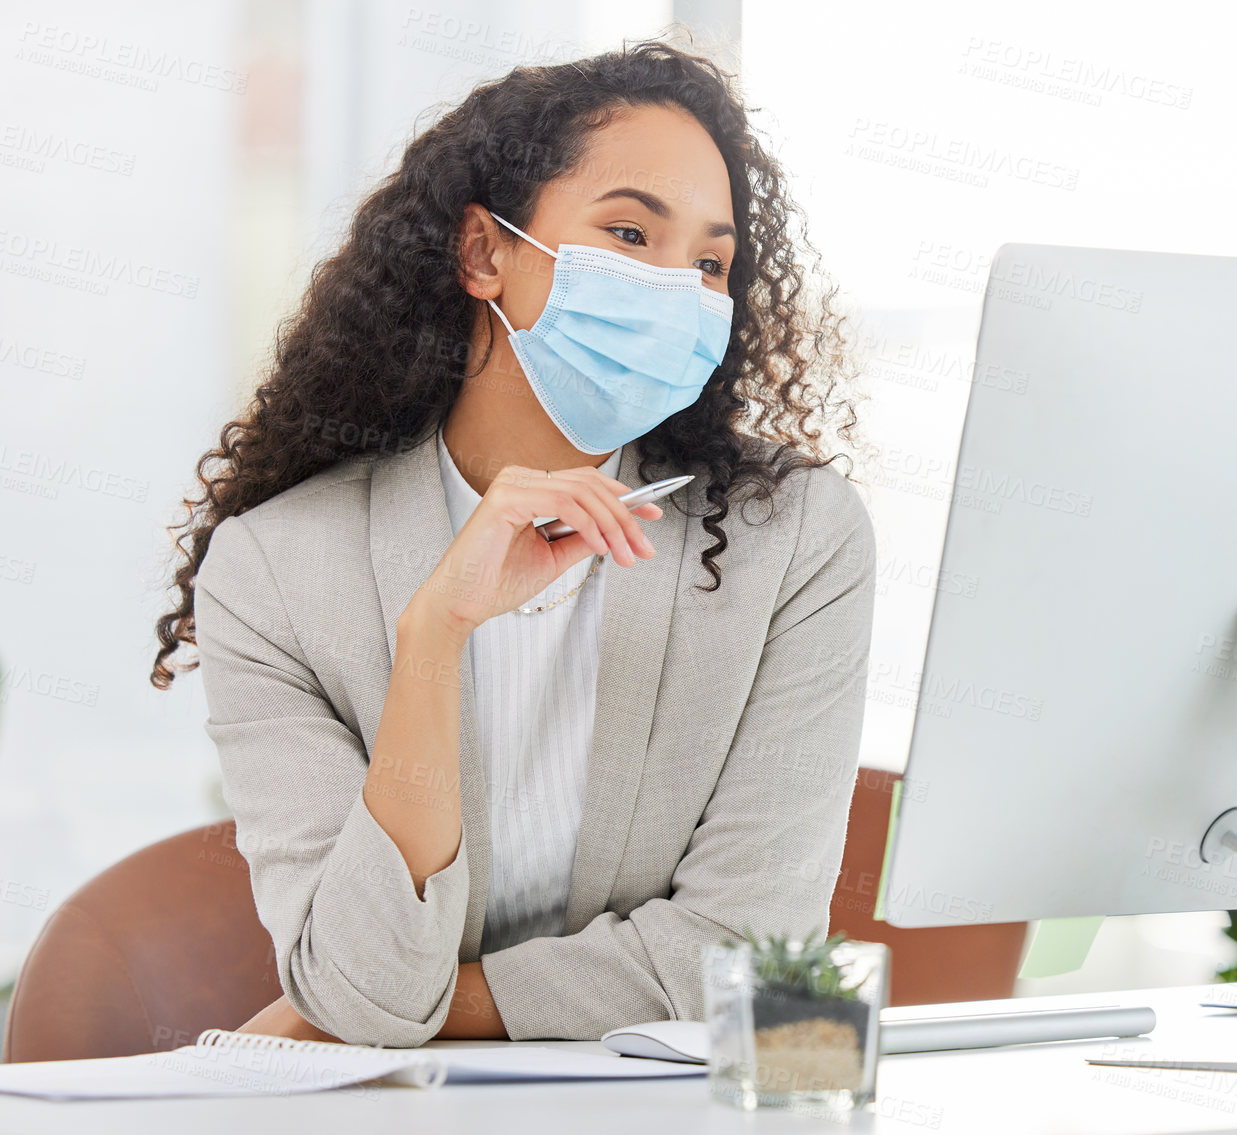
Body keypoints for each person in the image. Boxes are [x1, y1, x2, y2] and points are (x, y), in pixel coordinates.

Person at [149, 40, 875, 1047]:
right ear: (485, 252)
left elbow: (748, 960)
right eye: (629, 233)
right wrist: (437, 633)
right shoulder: (273, 571)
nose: (679, 292)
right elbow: (361, 982)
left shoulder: (790, 538)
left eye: (710, 263)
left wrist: (415, 1009)